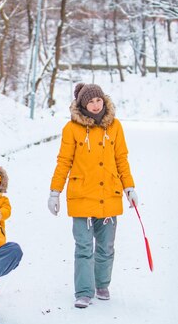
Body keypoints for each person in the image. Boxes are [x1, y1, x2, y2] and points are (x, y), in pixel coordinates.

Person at [47, 82, 138, 308]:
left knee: (106, 245)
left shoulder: (115, 127)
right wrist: (54, 192)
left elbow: (121, 160)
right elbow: (64, 162)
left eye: (98, 100)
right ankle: (84, 291)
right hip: (82, 197)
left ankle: (102, 284)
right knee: (84, 246)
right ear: (82, 104)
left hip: (109, 195)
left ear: (103, 100)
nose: (96, 105)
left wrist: (130, 187)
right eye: (90, 101)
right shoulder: (72, 129)